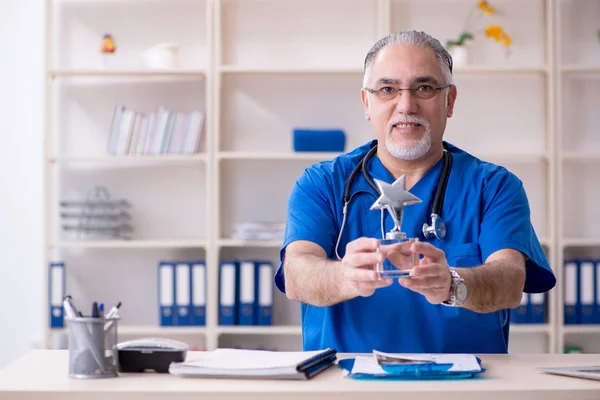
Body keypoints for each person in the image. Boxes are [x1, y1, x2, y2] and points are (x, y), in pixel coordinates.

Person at [274, 30, 556, 354]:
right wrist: (343, 277)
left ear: (449, 100)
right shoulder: (322, 184)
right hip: (348, 384)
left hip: (466, 386)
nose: (406, 106)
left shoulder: (494, 187)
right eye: (387, 89)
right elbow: (296, 274)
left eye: (424, 87)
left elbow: (509, 281)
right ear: (367, 103)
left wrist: (454, 284)